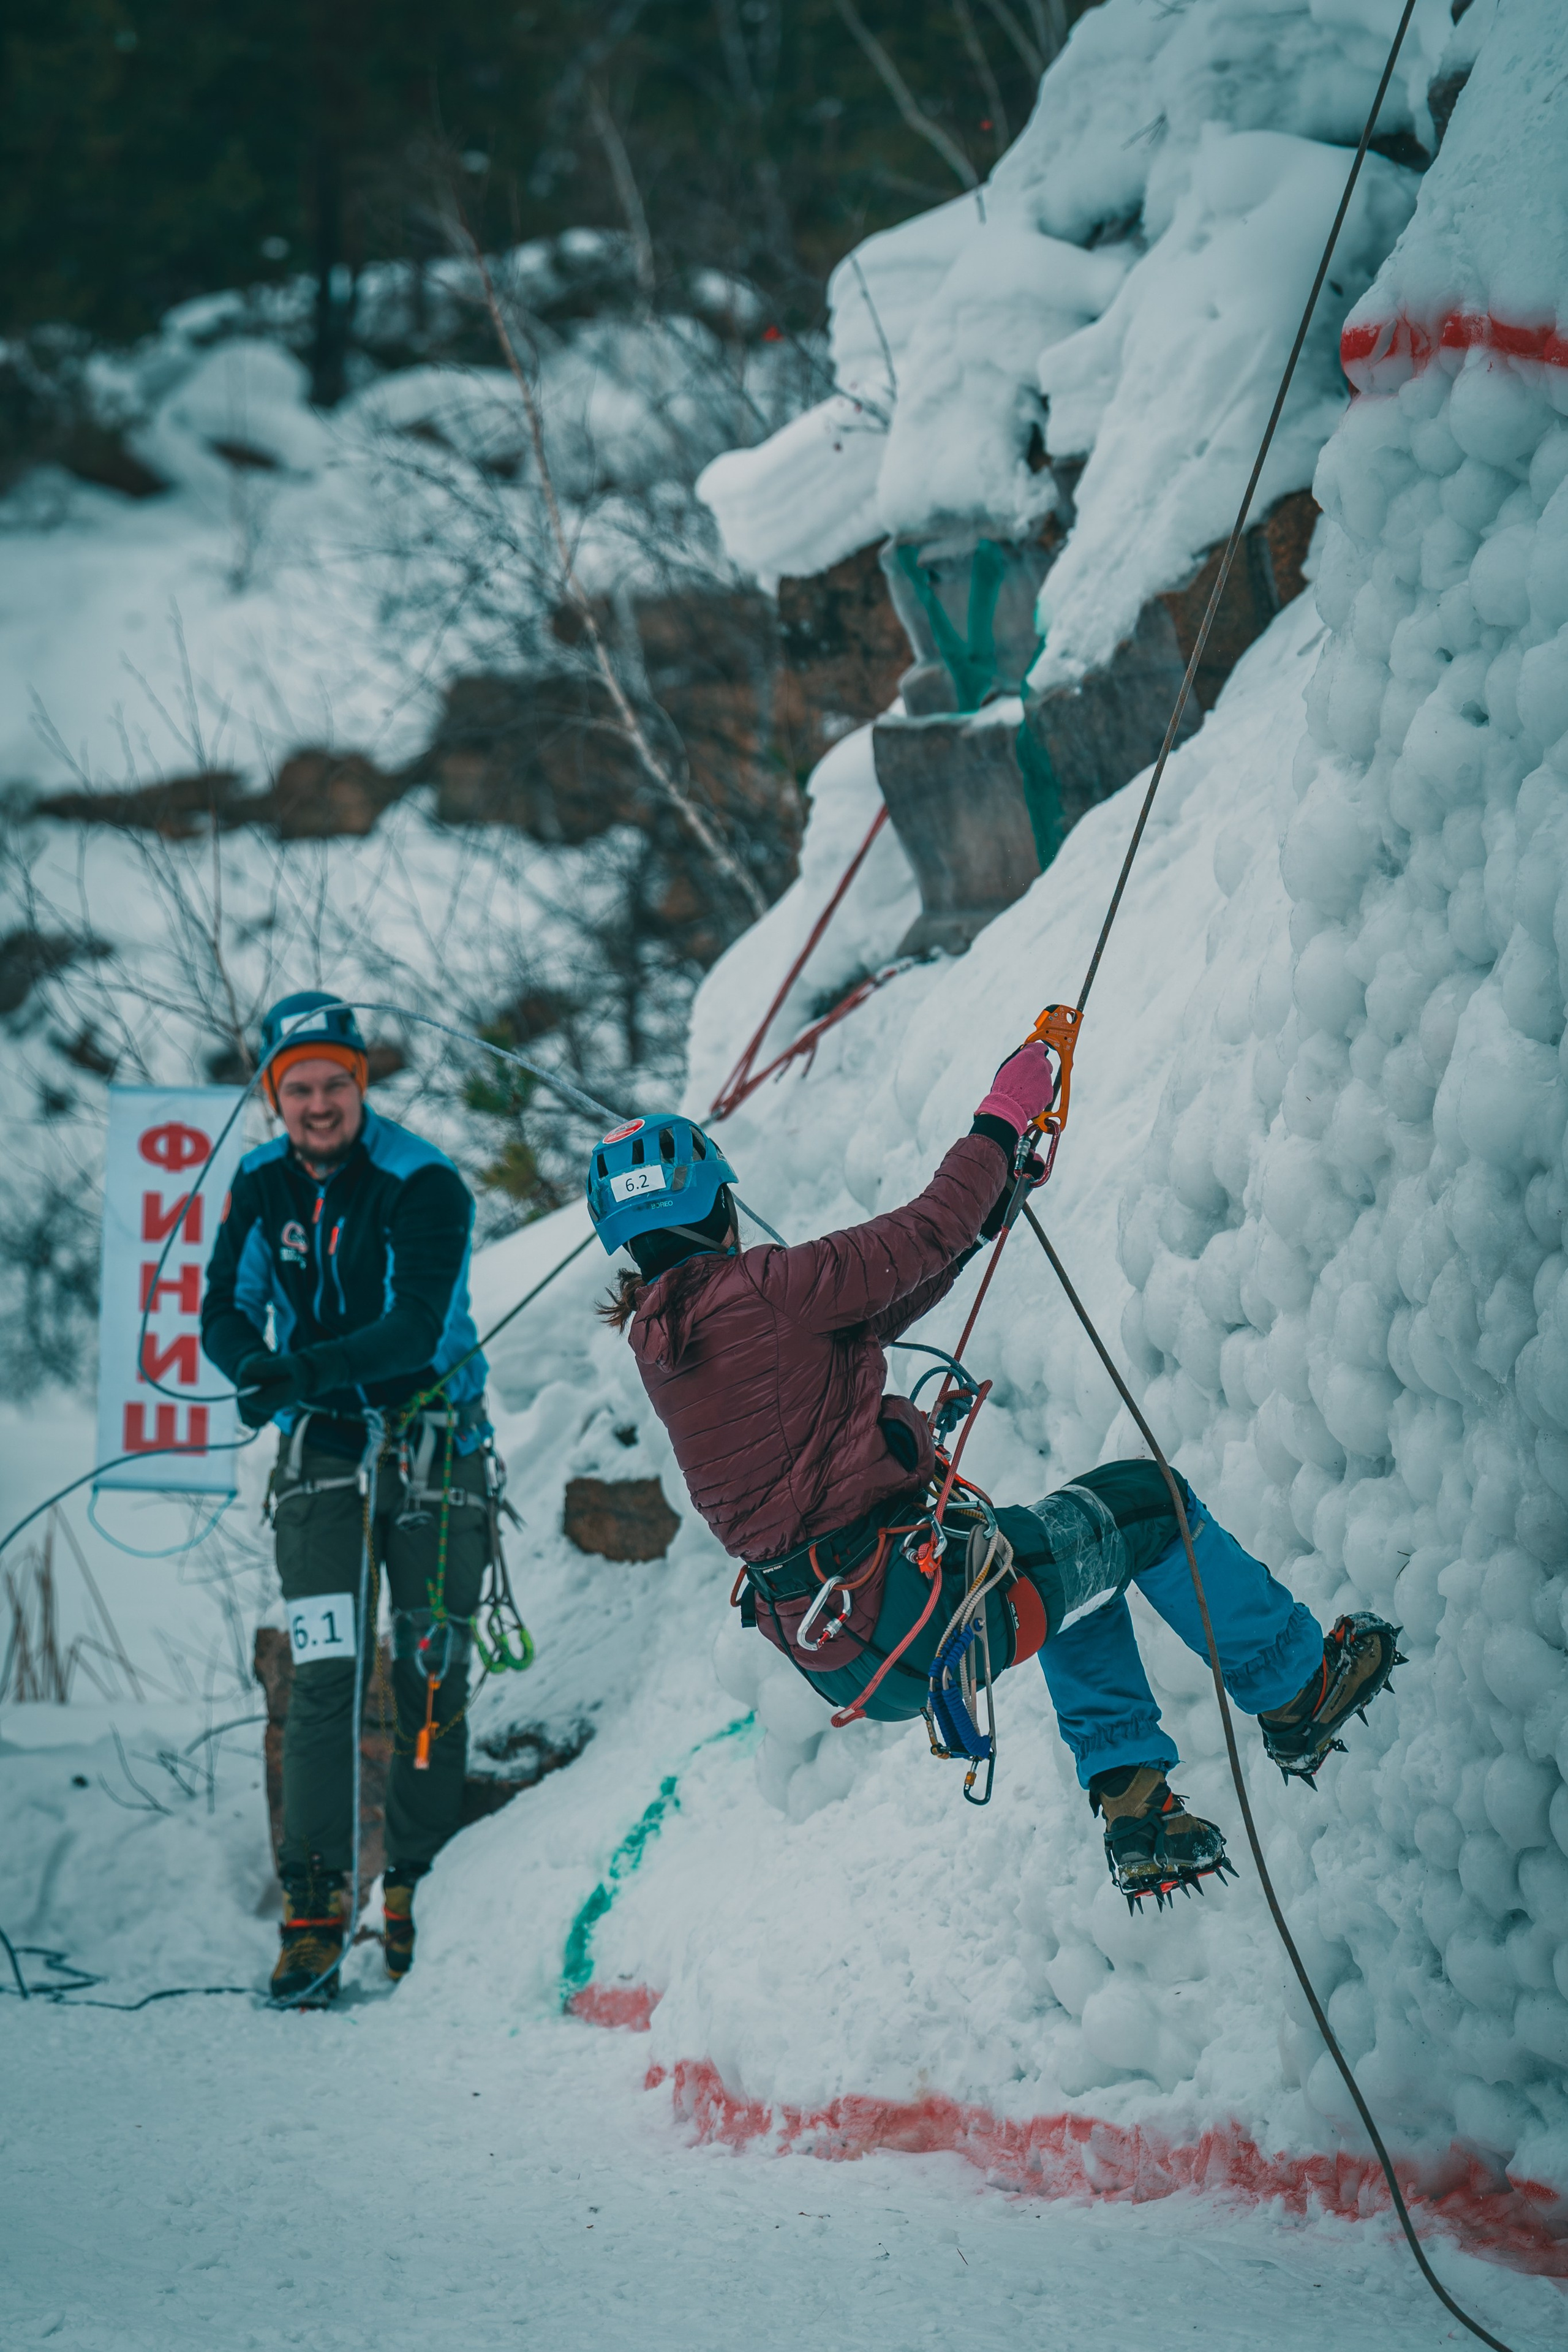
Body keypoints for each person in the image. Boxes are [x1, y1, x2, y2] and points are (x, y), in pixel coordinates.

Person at [586, 1047, 1400, 1905]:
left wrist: (983, 1226)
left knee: (1069, 1568)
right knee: (1150, 1503)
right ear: (719, 1203)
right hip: (907, 1605)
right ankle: (1299, 1689)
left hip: (842, 1644)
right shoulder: (768, 1288)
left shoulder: (660, 1342)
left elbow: (867, 1311)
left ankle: (1137, 1808)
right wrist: (1002, 1118)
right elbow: (923, 1228)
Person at [202, 993, 499, 1997]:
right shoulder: (258, 1180)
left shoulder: (424, 1183)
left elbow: (417, 1327)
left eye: (335, 1083)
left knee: (430, 1672)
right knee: (325, 1676)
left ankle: (416, 1892)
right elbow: (224, 1309)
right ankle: (313, 1915)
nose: (318, 1104)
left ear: (360, 1085)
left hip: (433, 1447)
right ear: (274, 1095)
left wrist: (301, 1370)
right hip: (322, 1456)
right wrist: (254, 1366)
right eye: (299, 1088)